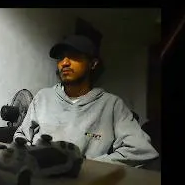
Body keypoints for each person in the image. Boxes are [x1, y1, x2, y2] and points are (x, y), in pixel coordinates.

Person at [13, 34, 159, 166]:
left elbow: (141, 150)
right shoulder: (43, 97)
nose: (64, 63)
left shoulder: (112, 105)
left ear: (93, 63)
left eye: (74, 56)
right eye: (61, 57)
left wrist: (86, 167)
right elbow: (21, 136)